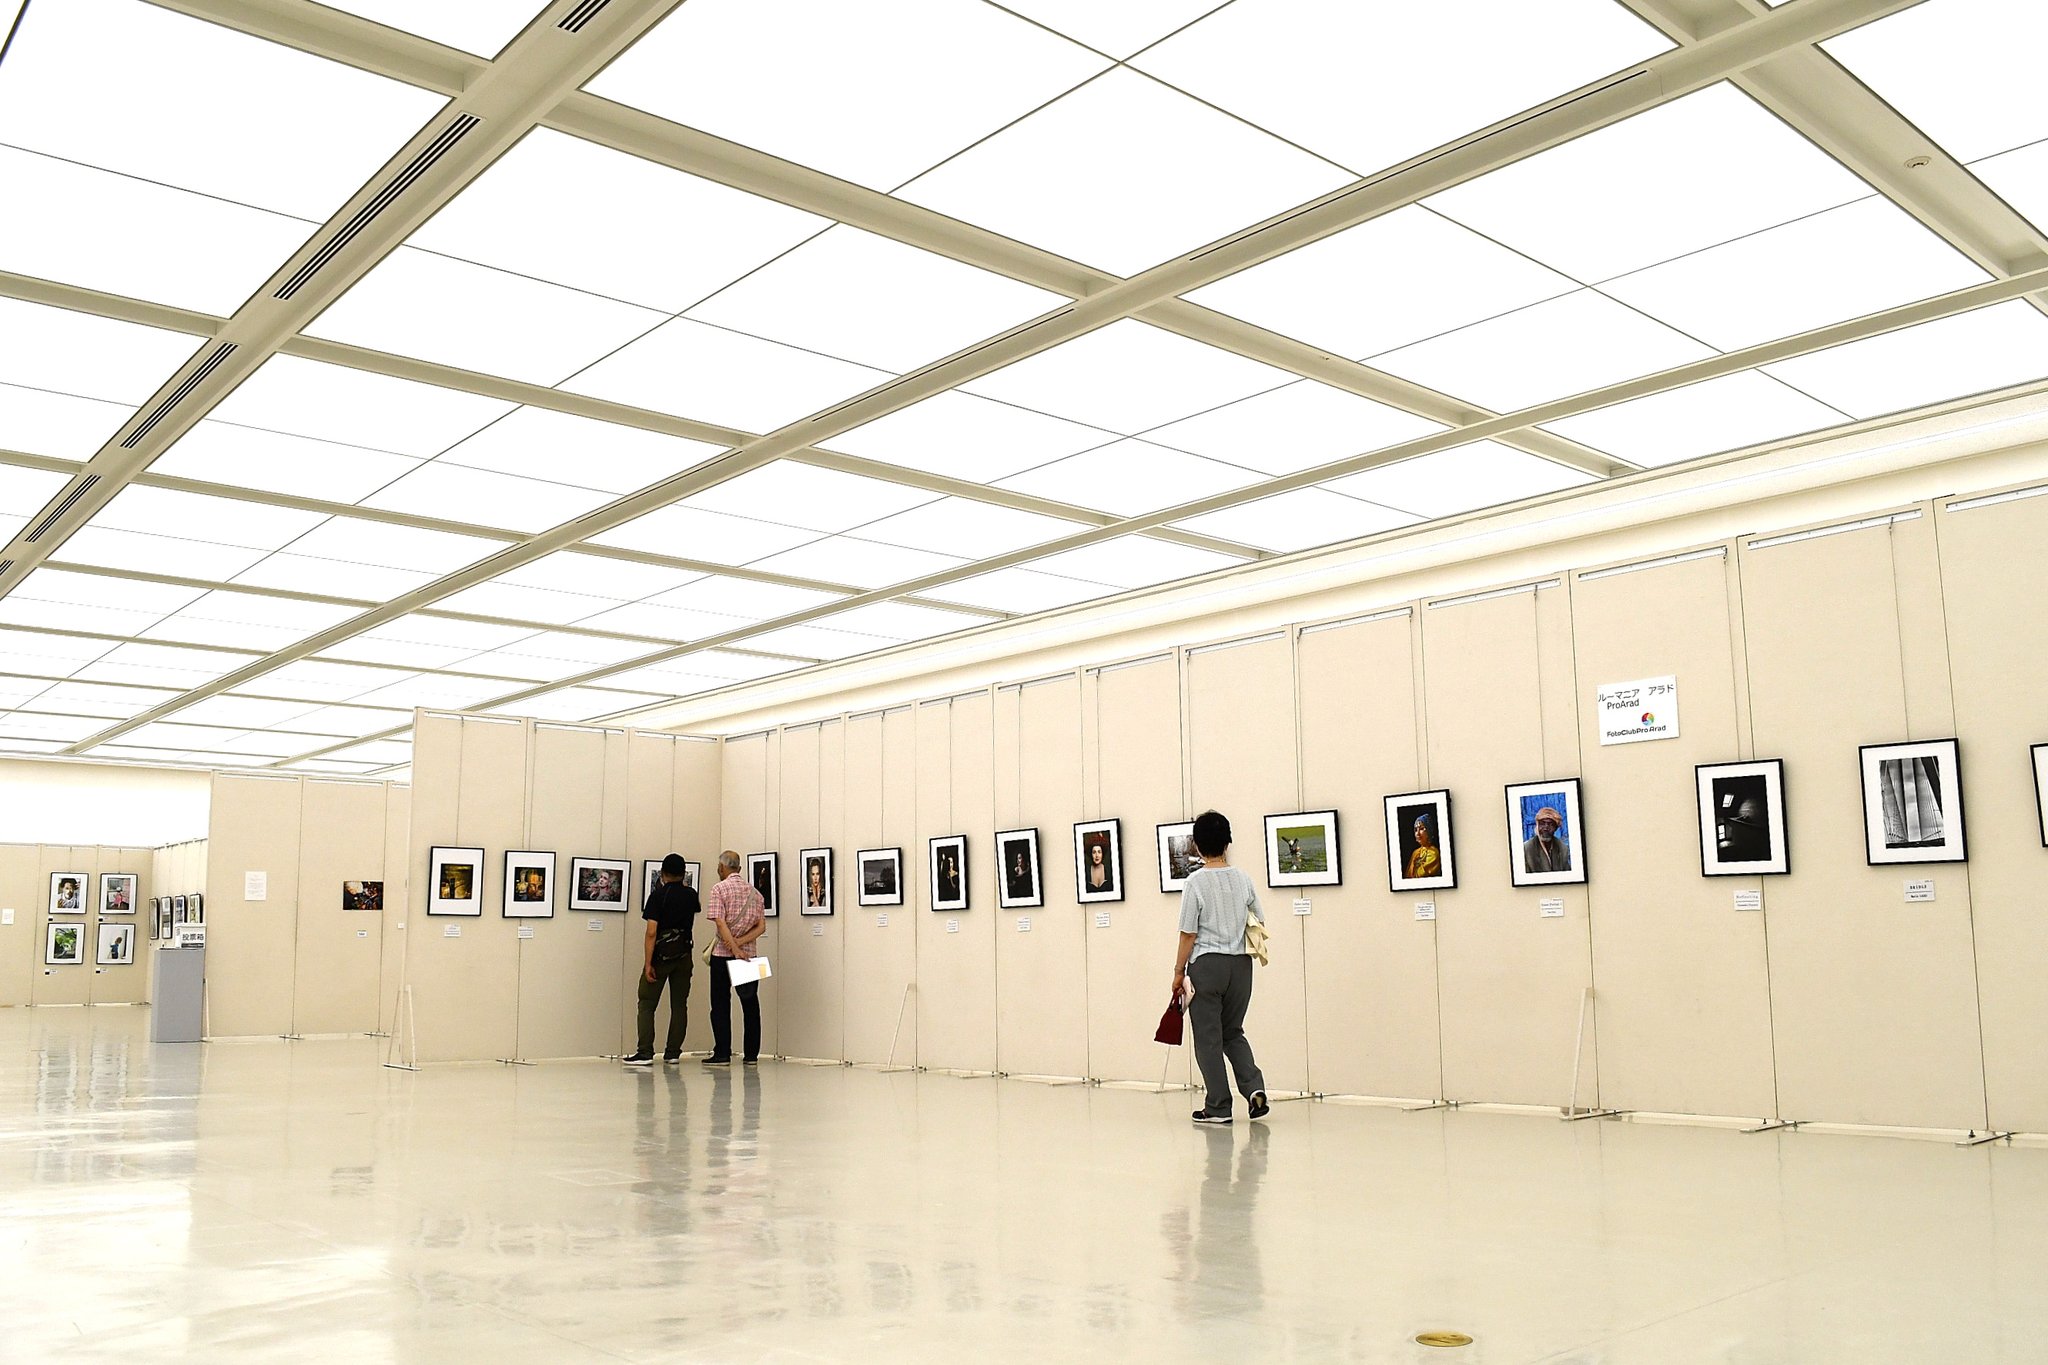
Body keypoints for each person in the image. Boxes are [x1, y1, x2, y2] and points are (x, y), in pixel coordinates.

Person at [1169, 810, 1269, 1125]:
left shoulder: (1195, 882)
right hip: (1241, 965)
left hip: (1207, 966)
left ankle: (1218, 1106)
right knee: (1233, 1032)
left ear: (1198, 845)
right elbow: (1258, 921)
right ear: (1228, 842)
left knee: (1209, 1038)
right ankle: (1254, 1090)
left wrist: (1177, 972)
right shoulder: (1244, 878)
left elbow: (1188, 932)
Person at [624, 854, 701, 1067]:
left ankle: (645, 1052)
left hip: (660, 957)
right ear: (684, 872)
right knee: (679, 1005)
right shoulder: (691, 895)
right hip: (685, 955)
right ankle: (673, 1052)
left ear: (662, 873)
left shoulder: (658, 896)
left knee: (647, 1004)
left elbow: (651, 932)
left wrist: (648, 963)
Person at [705, 850, 766, 1066]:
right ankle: (751, 1055)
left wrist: (732, 945)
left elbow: (720, 923)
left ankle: (722, 1053)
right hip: (749, 956)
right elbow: (761, 927)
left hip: (721, 954)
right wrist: (741, 945)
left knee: (720, 1004)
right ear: (739, 869)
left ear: (721, 868)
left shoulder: (718, 889)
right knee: (750, 1005)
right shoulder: (756, 894)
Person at [1523, 806, 1571, 874]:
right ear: (1537, 826)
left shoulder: (1562, 848)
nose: (1546, 828)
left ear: (1556, 828)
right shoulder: (1526, 848)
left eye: (1550, 824)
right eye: (1542, 824)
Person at [1406, 812, 1441, 880]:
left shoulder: (1433, 853)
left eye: (1421, 829)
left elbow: (1422, 876)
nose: (1418, 833)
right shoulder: (1415, 852)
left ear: (1429, 831)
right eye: (1416, 830)